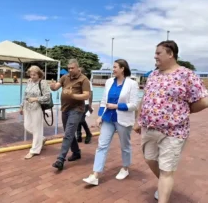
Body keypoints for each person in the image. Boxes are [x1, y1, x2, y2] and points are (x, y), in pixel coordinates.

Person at [133, 40, 208, 202]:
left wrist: (187, 111)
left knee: (167, 170)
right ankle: (164, 184)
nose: (155, 56)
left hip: (174, 132)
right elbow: (144, 98)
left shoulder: (186, 75)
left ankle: (164, 190)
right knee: (149, 159)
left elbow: (203, 101)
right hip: (148, 128)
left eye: (158, 53)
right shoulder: (153, 75)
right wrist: (138, 120)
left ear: (170, 53)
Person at [83, 59, 139, 186]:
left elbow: (134, 105)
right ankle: (95, 174)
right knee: (102, 145)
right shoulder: (109, 82)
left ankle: (125, 168)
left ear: (122, 68)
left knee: (125, 146)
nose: (113, 69)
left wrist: (117, 106)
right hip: (108, 118)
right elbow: (104, 101)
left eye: (115, 67)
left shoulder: (132, 84)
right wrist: (99, 116)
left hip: (123, 119)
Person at [50, 59, 90, 170]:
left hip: (76, 110)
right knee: (69, 132)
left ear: (78, 68)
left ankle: (60, 159)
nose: (70, 70)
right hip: (65, 109)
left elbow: (86, 95)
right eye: (69, 68)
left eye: (72, 68)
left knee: (68, 133)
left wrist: (72, 95)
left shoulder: (84, 79)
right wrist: (52, 86)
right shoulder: (64, 77)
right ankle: (76, 152)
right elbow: (56, 87)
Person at [20, 66, 50, 159]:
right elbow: (25, 94)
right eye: (31, 74)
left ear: (39, 74)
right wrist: (21, 106)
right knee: (27, 126)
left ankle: (34, 150)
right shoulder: (29, 82)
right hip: (27, 108)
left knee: (37, 129)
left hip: (37, 108)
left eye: (34, 75)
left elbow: (47, 96)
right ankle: (41, 138)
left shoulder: (43, 83)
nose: (32, 76)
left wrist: (36, 99)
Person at [76, 67, 93, 144]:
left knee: (81, 120)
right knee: (77, 120)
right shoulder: (76, 81)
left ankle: (88, 133)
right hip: (77, 104)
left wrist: (90, 104)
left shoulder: (87, 82)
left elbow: (91, 93)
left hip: (85, 104)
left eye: (79, 71)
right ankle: (79, 135)